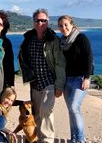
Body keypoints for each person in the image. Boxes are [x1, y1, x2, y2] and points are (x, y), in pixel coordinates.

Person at [18, 8, 66, 143]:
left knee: (46, 110)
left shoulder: (53, 40)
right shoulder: (28, 39)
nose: (41, 23)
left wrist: (59, 85)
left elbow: (60, 64)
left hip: (50, 82)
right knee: (37, 114)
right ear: (34, 22)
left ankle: (47, 140)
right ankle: (37, 140)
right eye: (38, 20)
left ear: (48, 21)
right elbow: (23, 58)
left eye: (44, 20)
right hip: (35, 83)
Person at [58, 15, 94, 143]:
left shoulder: (81, 38)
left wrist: (87, 78)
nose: (64, 28)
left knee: (74, 107)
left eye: (66, 24)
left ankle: (80, 139)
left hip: (80, 79)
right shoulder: (61, 42)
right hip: (67, 80)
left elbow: (89, 58)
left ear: (72, 24)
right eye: (61, 26)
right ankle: (73, 138)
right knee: (71, 110)